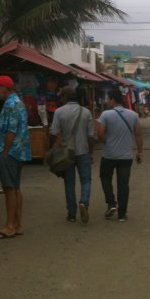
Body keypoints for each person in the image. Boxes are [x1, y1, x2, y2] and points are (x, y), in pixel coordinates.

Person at [0, 75, 31, 239]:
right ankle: (17, 224)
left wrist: (4, 152)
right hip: (17, 151)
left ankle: (10, 225)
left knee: (9, 189)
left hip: (10, 152)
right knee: (15, 187)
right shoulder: (16, 102)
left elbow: (11, 131)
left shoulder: (11, 105)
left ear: (5, 88)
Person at [96, 88, 144, 222]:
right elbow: (138, 134)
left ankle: (111, 203)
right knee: (123, 184)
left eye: (107, 99)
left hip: (109, 155)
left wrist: (107, 141)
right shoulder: (133, 115)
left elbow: (99, 134)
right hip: (126, 157)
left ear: (112, 99)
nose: (106, 102)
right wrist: (140, 152)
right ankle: (122, 215)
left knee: (105, 178)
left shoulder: (106, 114)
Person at [50, 86, 95, 224]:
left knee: (69, 182)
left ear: (64, 97)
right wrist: (91, 152)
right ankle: (84, 203)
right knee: (86, 180)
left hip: (66, 154)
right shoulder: (86, 112)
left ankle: (71, 213)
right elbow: (91, 136)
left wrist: (52, 148)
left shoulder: (59, 112)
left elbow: (53, 132)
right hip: (83, 152)